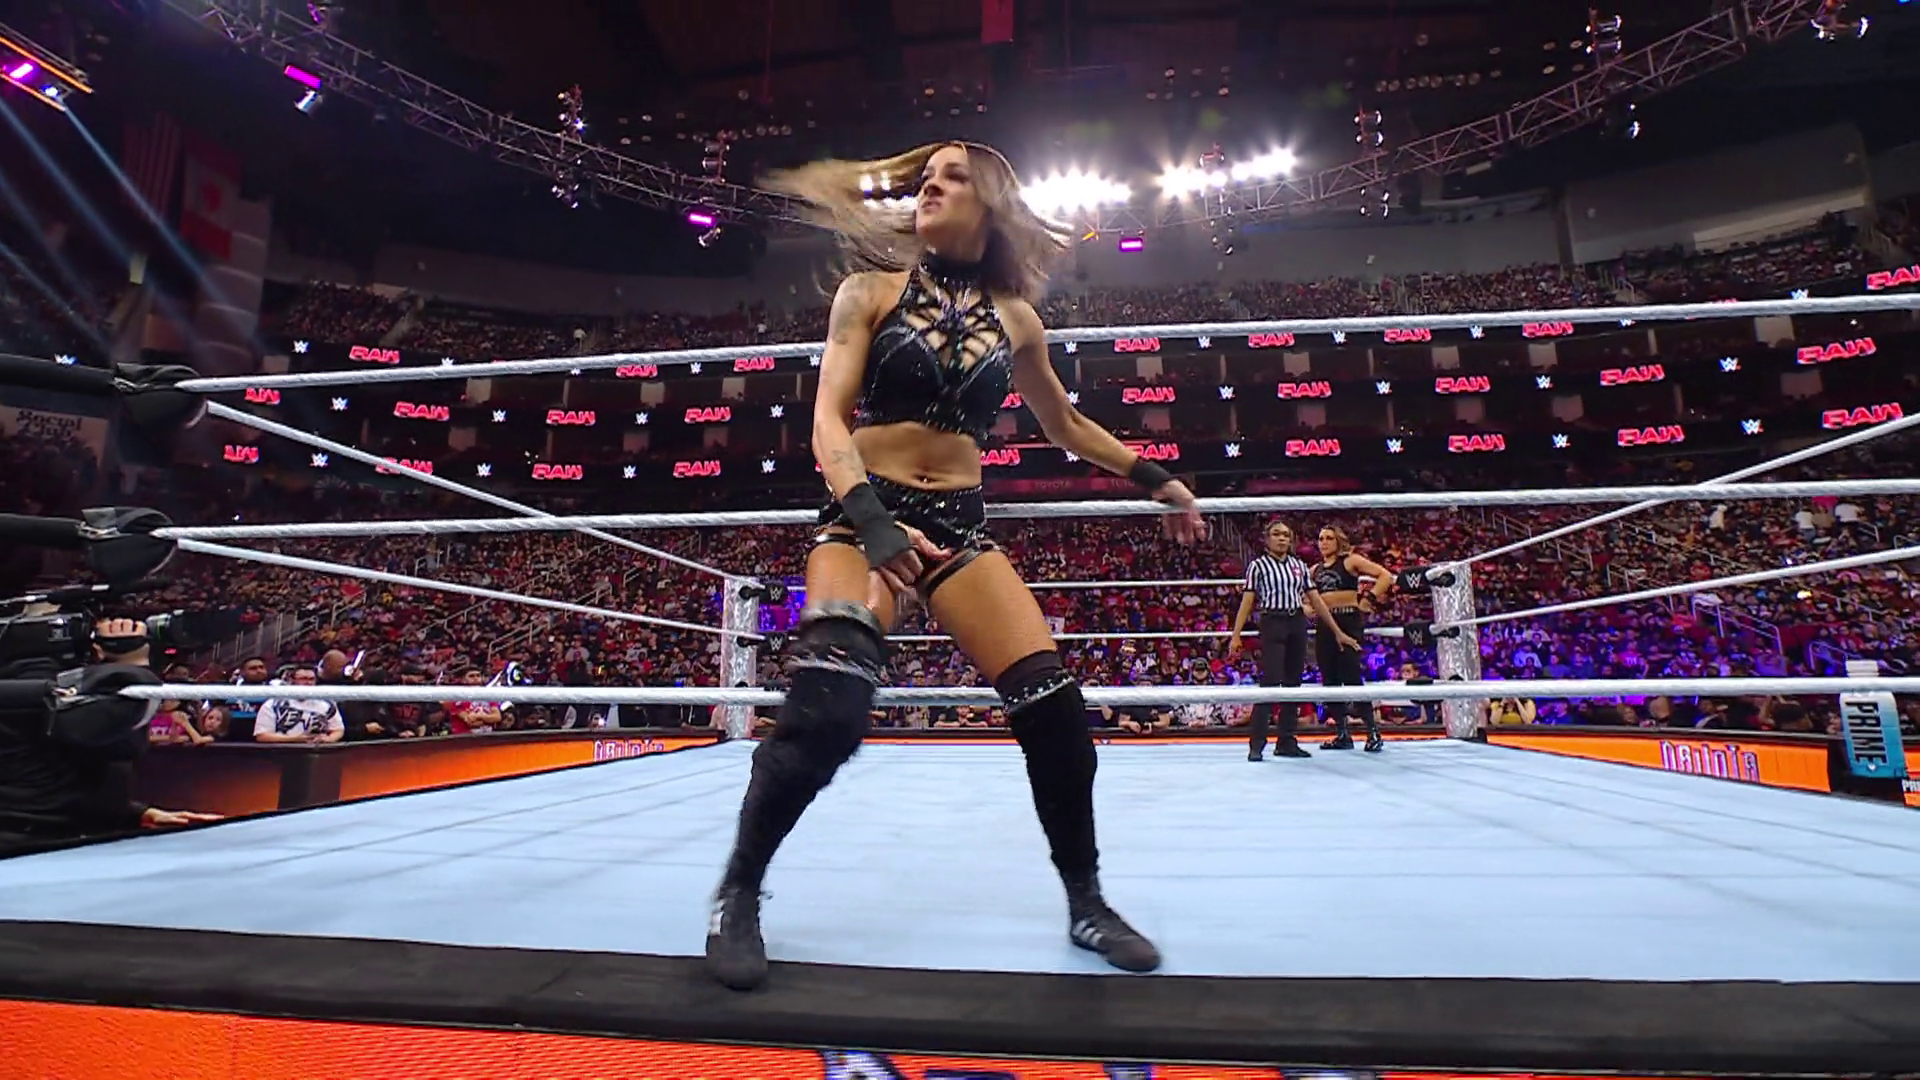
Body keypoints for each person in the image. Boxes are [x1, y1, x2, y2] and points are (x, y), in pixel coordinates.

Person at [704, 141, 1205, 991]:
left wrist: (1158, 479)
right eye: (925, 178)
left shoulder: (1017, 318)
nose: (930, 189)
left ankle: (1086, 902)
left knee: (1056, 713)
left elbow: (1065, 424)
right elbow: (827, 423)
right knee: (828, 711)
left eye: (952, 177)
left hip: (960, 526)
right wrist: (875, 525)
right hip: (863, 514)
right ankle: (738, 892)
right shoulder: (870, 292)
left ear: (992, 202)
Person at [1229, 520, 1351, 761]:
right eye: (1277, 534)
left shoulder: (1299, 566)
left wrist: (1337, 631)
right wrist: (1236, 635)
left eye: (1286, 535)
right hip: (1272, 621)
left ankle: (1286, 741)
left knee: (1293, 682)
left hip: (1296, 621)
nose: (1282, 538)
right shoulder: (1258, 566)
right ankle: (1257, 744)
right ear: (1267, 539)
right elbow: (1247, 600)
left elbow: (1316, 600)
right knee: (1270, 681)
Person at [1310, 526, 1394, 752]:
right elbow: (1301, 592)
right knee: (1329, 679)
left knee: (1351, 675)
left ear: (1338, 541)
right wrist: (1308, 607)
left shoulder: (1350, 561)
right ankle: (1342, 733)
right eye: (1321, 538)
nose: (1324, 542)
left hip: (1348, 620)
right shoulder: (1315, 570)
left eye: (1329, 538)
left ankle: (1372, 732)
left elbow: (1385, 576)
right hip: (1325, 624)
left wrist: (1368, 599)